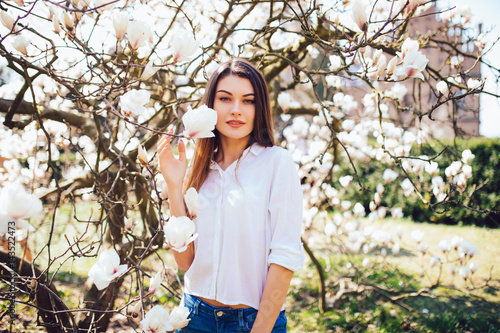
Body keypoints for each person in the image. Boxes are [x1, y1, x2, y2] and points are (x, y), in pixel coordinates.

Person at [157, 59, 304, 333]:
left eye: (248, 101)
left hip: (253, 322)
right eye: (225, 98)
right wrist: (174, 188)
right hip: (194, 316)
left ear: (259, 108)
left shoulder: (277, 163)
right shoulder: (199, 170)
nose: (236, 110)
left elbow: (284, 257)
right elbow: (186, 262)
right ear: (211, 105)